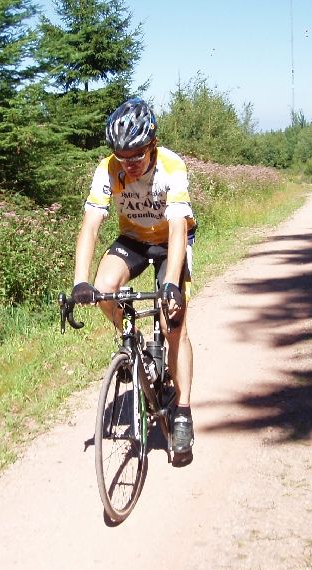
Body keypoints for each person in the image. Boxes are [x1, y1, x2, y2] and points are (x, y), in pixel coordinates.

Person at [71, 97, 196, 454]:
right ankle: (134, 341)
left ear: (152, 145)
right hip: (134, 239)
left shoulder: (171, 165)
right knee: (103, 288)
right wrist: (81, 281)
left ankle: (183, 411)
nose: (130, 165)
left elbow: (176, 228)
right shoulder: (108, 168)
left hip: (172, 238)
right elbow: (91, 224)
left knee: (175, 325)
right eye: (123, 158)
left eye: (137, 156)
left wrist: (170, 284)